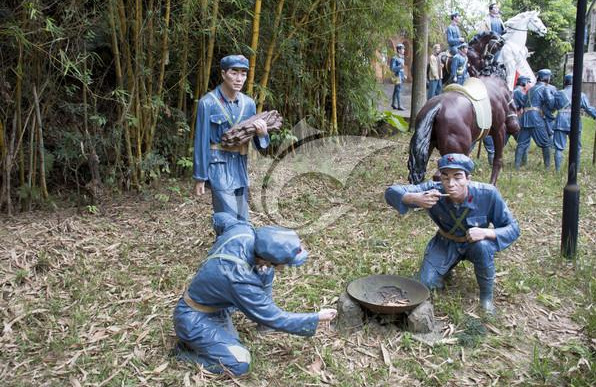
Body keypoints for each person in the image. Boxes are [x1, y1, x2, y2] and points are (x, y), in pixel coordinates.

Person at [173, 212, 337, 375]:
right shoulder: (240, 280)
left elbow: (220, 217)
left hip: (216, 302)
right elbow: (276, 318)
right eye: (284, 264)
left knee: (265, 272)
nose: (285, 267)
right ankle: (184, 353)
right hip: (195, 318)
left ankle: (211, 341)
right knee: (240, 364)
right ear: (268, 259)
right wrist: (317, 317)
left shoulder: (242, 230)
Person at [385, 154, 520, 315]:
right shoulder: (433, 190)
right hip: (445, 243)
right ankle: (445, 269)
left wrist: (486, 232)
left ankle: (486, 298)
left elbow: (513, 228)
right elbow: (391, 192)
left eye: (458, 177)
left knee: (483, 247)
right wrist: (415, 198)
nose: (451, 184)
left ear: (468, 178)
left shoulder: (488, 194)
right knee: (425, 283)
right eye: (445, 177)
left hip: (474, 245)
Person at [193, 54, 270, 221]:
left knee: (243, 217)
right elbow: (201, 141)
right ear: (223, 74)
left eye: (243, 74)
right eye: (234, 73)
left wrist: (263, 134)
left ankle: (239, 246)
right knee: (227, 218)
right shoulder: (207, 103)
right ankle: (228, 244)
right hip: (218, 166)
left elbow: (258, 143)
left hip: (240, 165)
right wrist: (200, 177)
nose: (239, 79)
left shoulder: (248, 103)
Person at [552, 74, 596, 172]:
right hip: (574, 121)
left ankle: (557, 171)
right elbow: (588, 109)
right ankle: (575, 171)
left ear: (565, 82)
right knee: (576, 148)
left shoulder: (558, 93)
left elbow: (553, 106)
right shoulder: (581, 94)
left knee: (559, 148)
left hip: (560, 121)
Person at [515, 69, 555, 170]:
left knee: (521, 144)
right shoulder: (545, 88)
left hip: (525, 118)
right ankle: (547, 168)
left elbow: (524, 102)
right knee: (546, 143)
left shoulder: (531, 89)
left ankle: (516, 167)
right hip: (536, 118)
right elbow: (550, 103)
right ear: (546, 78)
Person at [390, 43, 407, 110]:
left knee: (396, 90)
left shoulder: (402, 58)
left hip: (401, 75)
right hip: (396, 76)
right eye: (403, 49)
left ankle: (393, 103)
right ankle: (399, 105)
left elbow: (402, 69)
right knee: (398, 90)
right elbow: (392, 68)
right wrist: (399, 67)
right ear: (399, 50)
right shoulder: (394, 58)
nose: (404, 50)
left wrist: (404, 74)